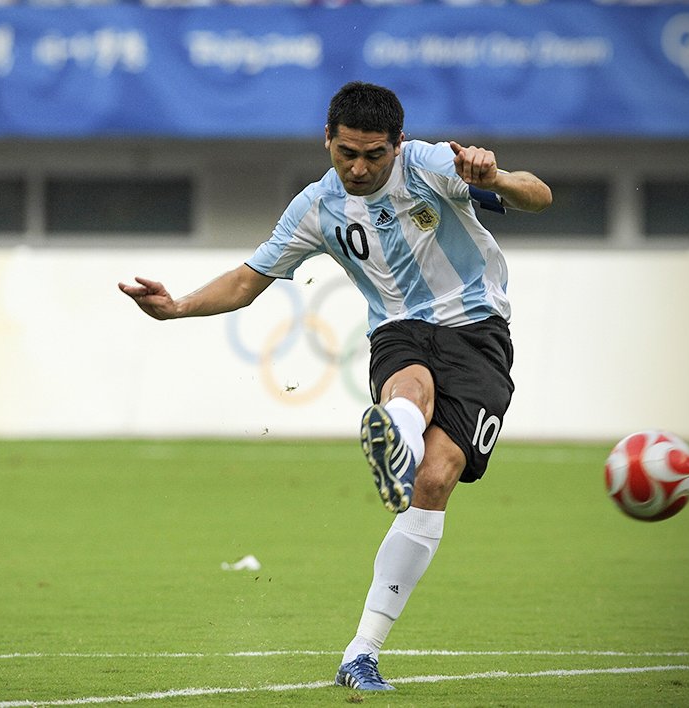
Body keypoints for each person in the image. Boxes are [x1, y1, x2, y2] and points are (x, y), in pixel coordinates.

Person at [119, 81, 551, 691]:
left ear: (398, 146)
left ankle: (362, 645)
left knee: (435, 480)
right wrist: (179, 305)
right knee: (410, 384)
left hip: (478, 330)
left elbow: (540, 195)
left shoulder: (432, 166)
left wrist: (496, 177)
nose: (359, 166)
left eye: (374, 154)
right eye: (346, 151)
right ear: (327, 139)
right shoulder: (317, 207)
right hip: (398, 329)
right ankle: (395, 437)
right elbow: (248, 280)